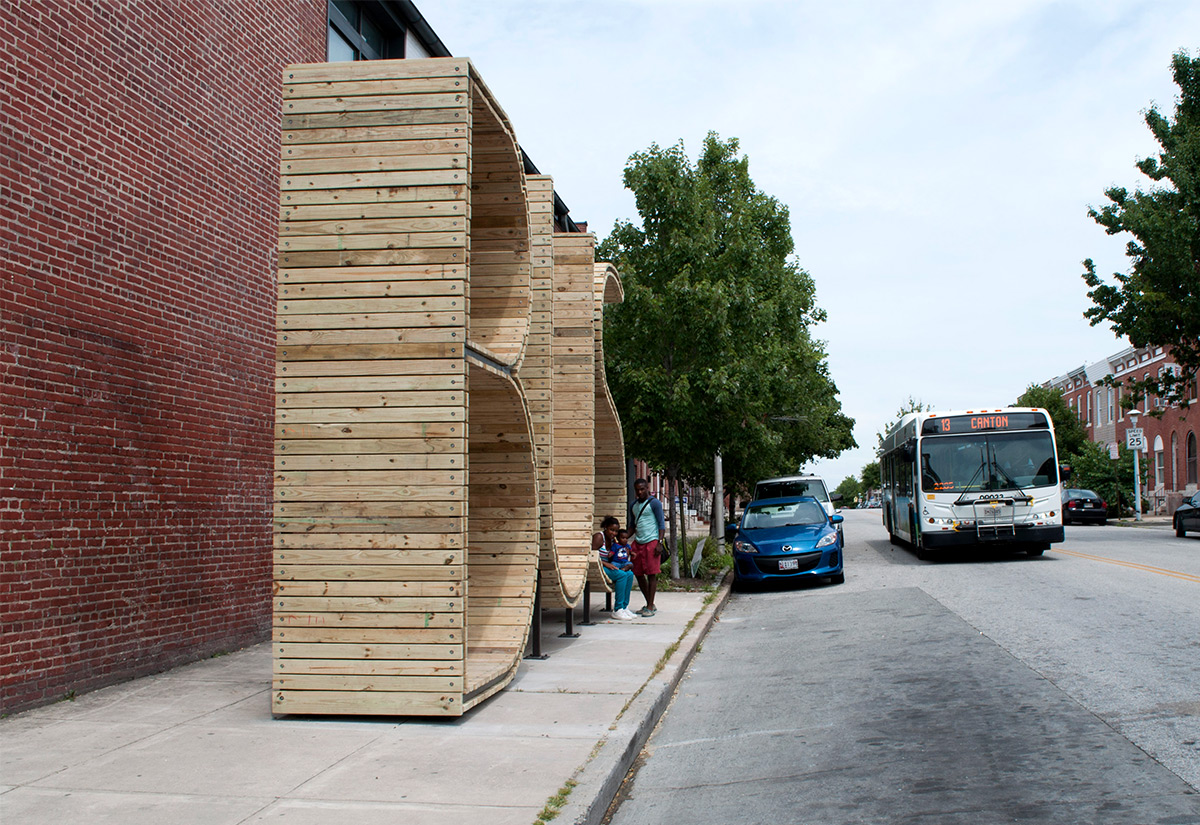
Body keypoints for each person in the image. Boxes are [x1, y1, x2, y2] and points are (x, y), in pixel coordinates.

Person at [628, 478, 666, 617]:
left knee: (651, 574)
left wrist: (659, 542)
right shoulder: (634, 505)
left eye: (642, 489)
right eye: (637, 489)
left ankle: (650, 606)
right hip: (638, 543)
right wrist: (624, 536)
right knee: (638, 573)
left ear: (647, 488)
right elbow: (633, 526)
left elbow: (661, 524)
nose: (640, 492)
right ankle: (649, 603)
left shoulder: (655, 503)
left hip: (652, 541)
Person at [594, 516, 637, 620]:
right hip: (598, 567)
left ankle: (624, 607)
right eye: (611, 530)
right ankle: (617, 609)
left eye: (616, 531)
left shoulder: (614, 541)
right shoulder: (599, 537)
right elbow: (591, 556)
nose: (613, 533)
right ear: (605, 527)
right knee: (622, 575)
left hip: (610, 566)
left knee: (629, 574)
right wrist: (605, 563)